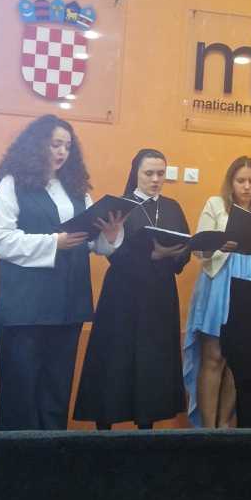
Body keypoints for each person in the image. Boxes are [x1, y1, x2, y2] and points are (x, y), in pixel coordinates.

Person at [0, 114, 123, 431]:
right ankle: (14, 458)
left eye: (67, 146)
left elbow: (92, 243)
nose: (62, 152)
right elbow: (0, 239)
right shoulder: (12, 184)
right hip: (25, 308)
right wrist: (53, 243)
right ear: (37, 145)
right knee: (21, 391)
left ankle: (51, 455)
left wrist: (110, 234)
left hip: (68, 304)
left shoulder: (77, 189)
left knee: (56, 391)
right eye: (55, 144)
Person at [74, 148, 191, 430]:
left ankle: (146, 427)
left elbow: (186, 248)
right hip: (122, 296)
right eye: (149, 173)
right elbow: (112, 251)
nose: (155, 179)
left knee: (152, 362)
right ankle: (104, 427)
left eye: (160, 174)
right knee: (115, 359)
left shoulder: (172, 207)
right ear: (135, 173)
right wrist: (152, 255)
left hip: (160, 296)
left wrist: (173, 254)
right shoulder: (120, 206)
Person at [183, 156, 251, 428]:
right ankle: (207, 428)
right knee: (214, 357)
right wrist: (218, 244)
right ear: (231, 182)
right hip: (220, 282)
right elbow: (200, 247)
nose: (246, 186)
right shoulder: (215, 204)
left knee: (240, 360)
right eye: (241, 181)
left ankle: (225, 426)